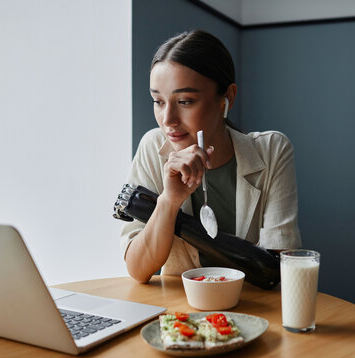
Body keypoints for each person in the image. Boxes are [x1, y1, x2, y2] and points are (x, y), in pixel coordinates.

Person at [121, 30, 301, 283]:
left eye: (185, 101)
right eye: (158, 101)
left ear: (226, 98)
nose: (168, 120)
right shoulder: (154, 147)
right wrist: (169, 201)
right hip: (179, 315)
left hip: (254, 313)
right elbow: (138, 270)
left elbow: (276, 272)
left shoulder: (271, 151)